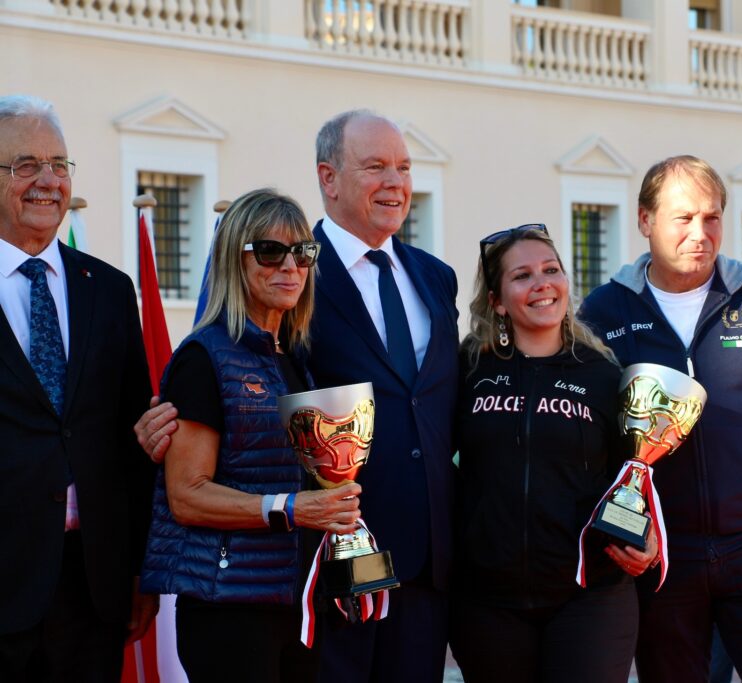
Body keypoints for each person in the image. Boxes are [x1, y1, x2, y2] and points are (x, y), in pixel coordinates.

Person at [135, 110, 459, 682]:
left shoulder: (435, 277)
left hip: (416, 568)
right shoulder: (267, 300)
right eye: (376, 166)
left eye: (404, 167)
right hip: (311, 573)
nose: (396, 181)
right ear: (328, 178)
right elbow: (213, 367)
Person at [580, 155, 742, 681]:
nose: (701, 233)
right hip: (662, 558)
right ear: (645, 220)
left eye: (712, 217)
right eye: (684, 218)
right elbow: (586, 442)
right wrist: (619, 537)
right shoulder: (604, 312)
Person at [139, 189, 363, 682]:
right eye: (269, 251)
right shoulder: (205, 357)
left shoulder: (294, 359)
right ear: (233, 259)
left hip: (296, 600)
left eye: (302, 253)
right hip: (229, 607)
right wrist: (289, 508)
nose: (290, 266)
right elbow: (186, 495)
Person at [450, 224, 656, 682]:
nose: (542, 283)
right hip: (487, 600)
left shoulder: (604, 374)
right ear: (498, 301)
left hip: (591, 594)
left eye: (551, 270)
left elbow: (637, 473)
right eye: (522, 275)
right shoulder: (467, 370)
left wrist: (650, 537)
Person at [0, 95, 156, 682]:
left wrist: (140, 568)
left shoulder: (109, 292)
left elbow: (132, 440)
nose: (47, 181)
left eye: (59, 165)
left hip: (93, 587)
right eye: (25, 166)